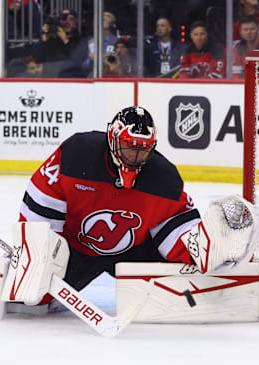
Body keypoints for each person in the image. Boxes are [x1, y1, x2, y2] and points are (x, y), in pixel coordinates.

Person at [13, 106, 202, 296]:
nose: (134, 157)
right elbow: (42, 206)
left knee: (176, 294)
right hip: (74, 252)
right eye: (129, 147)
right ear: (112, 137)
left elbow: (177, 227)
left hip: (132, 254)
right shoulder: (77, 155)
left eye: (142, 150)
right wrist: (37, 252)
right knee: (32, 299)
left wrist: (202, 251)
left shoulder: (164, 179)